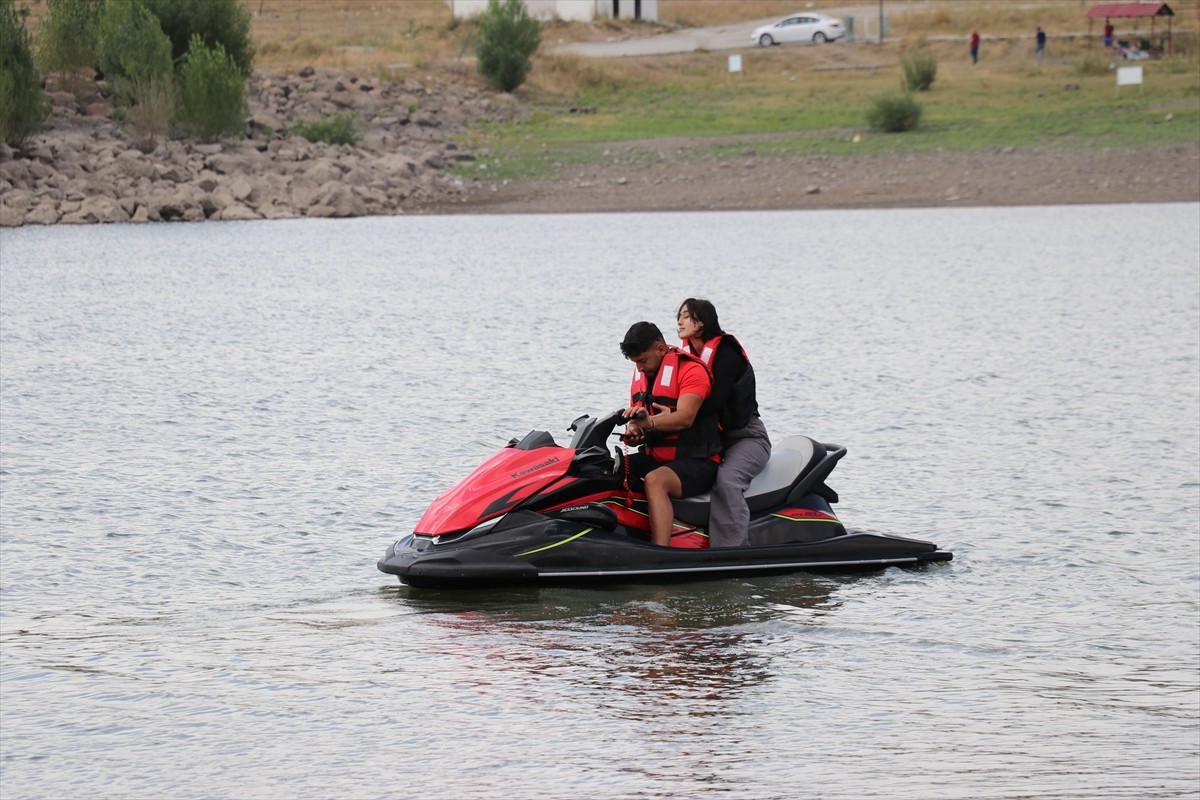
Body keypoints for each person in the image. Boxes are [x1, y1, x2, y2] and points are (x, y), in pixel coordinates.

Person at [677, 299, 772, 548]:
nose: (679, 321)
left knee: (727, 482)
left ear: (703, 320)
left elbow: (716, 401)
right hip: (713, 441)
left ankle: (732, 550)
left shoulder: (725, 353)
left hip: (746, 437)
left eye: (686, 316)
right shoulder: (688, 358)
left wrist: (676, 415)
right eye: (679, 316)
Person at [619, 321, 722, 548]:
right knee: (611, 468)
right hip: (658, 457)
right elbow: (640, 421)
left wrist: (650, 423)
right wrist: (634, 431)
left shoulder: (691, 370)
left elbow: (686, 417)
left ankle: (660, 551)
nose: (639, 369)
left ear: (660, 349)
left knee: (656, 481)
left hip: (699, 462)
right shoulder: (643, 377)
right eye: (635, 363)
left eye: (643, 361)